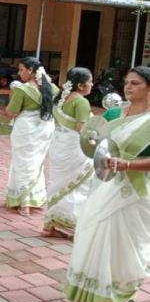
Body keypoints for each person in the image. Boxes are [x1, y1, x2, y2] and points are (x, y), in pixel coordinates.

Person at [64, 66, 150, 302]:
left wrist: (129, 164)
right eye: (127, 82)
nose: (128, 87)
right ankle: (92, 290)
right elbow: (95, 141)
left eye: (135, 83)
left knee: (127, 242)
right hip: (105, 184)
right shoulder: (114, 113)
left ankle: (123, 293)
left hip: (134, 191)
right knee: (96, 231)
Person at [44, 67, 94, 238]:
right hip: (74, 146)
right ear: (80, 85)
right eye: (90, 81)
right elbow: (82, 128)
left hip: (58, 144)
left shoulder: (61, 99)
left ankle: (51, 223)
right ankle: (73, 225)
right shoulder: (81, 102)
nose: (92, 84)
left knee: (58, 182)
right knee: (78, 184)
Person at [5, 57, 59, 216]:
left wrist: (11, 96)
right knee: (36, 163)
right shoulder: (52, 88)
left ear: (31, 70)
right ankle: (35, 198)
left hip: (26, 130)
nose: (19, 73)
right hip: (45, 128)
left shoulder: (23, 90)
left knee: (22, 163)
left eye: (21, 69)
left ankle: (24, 203)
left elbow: (11, 112)